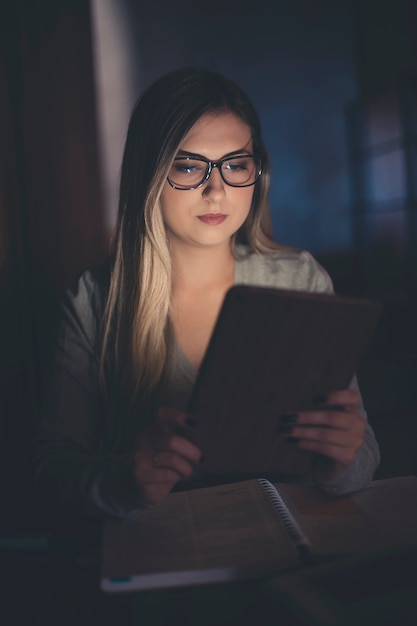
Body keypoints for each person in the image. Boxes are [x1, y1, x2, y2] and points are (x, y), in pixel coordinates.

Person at [33, 67, 380, 518]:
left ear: (258, 172)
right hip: (157, 556)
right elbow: (49, 470)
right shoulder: (95, 300)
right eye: (189, 166)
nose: (216, 190)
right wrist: (126, 478)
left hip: (286, 547)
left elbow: (364, 454)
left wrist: (340, 461)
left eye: (236, 164)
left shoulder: (301, 280)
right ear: (151, 174)